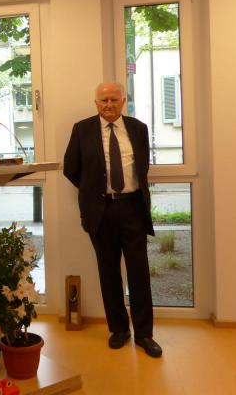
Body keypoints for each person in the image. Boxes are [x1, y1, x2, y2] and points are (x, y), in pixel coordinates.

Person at [63, 82, 162, 358]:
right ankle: (119, 329)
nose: (109, 105)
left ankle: (144, 334)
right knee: (108, 272)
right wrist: (93, 190)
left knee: (139, 273)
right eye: (104, 100)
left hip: (133, 208)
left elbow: (142, 166)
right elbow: (71, 168)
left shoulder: (138, 129)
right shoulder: (82, 129)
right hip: (101, 211)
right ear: (96, 102)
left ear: (123, 101)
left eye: (114, 99)